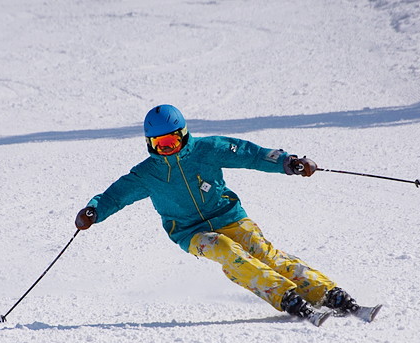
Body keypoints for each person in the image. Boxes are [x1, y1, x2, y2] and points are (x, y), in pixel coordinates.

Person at [75, 104, 365, 326]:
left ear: (183, 136)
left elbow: (250, 154)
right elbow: (115, 196)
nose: (166, 150)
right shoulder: (147, 173)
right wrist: (94, 211)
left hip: (229, 215)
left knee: (261, 251)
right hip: (190, 232)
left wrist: (288, 162)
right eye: (159, 145)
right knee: (224, 249)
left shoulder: (208, 149)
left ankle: (327, 292)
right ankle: (284, 295)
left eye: (171, 143)